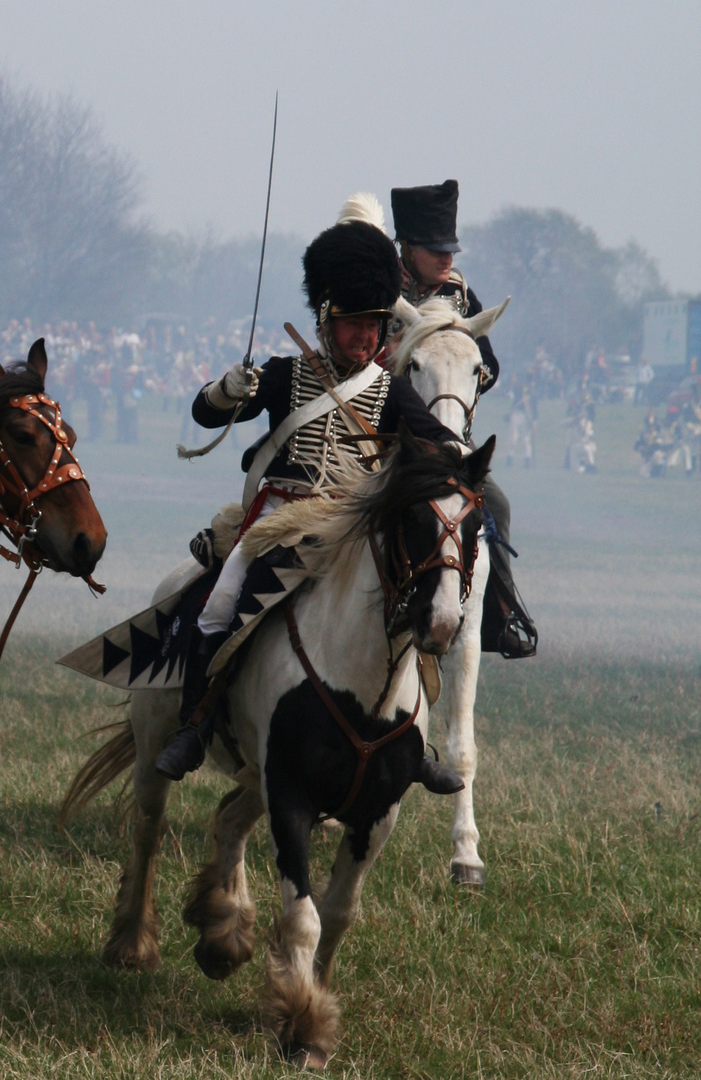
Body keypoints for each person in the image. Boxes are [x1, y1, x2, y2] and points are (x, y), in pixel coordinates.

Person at [154, 197, 466, 791]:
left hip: (355, 522)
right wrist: (229, 387)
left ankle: (413, 738)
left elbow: (435, 440)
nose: (364, 336)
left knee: (416, 606)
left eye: (373, 325)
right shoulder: (285, 374)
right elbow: (203, 414)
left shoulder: (391, 390)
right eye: (354, 324)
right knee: (221, 603)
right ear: (327, 321)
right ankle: (193, 725)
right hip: (283, 515)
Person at [390, 180, 537, 660]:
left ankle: (503, 612)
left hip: (454, 443)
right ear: (408, 248)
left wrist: (460, 368)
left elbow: (488, 366)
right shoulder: (380, 287)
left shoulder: (460, 293)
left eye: (450, 248)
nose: (446, 258)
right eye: (436, 249)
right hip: (387, 436)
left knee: (497, 504)